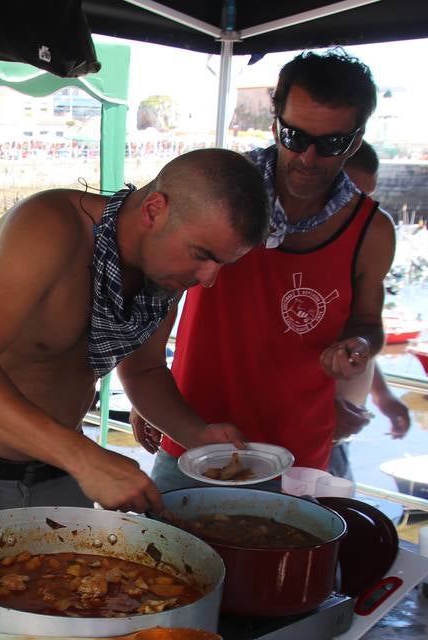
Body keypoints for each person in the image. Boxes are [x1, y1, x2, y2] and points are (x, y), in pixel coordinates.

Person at [0, 148, 270, 640]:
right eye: (203, 254)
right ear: (155, 209)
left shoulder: (165, 275)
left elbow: (145, 371)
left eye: (221, 262)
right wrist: (87, 460)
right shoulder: (49, 227)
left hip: (56, 473)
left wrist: (198, 436)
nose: (210, 278)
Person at [149, 50, 396, 492]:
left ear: (356, 141)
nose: (308, 157)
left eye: (332, 143)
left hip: (296, 456)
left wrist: (357, 345)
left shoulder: (371, 231)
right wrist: (152, 399)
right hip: (192, 437)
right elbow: (156, 306)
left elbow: (368, 323)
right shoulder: (217, 193)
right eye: (295, 136)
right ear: (274, 122)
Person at [325, 140, 411, 479]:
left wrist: (383, 395)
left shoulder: (360, 252)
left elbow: (355, 335)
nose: (359, 210)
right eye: (349, 194)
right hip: (303, 432)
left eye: (367, 198)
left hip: (337, 436)